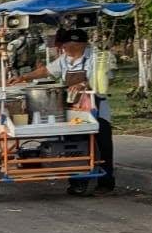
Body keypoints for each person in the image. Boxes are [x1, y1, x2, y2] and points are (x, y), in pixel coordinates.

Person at [12, 27, 115, 192]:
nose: (64, 48)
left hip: (96, 109)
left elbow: (104, 79)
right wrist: (24, 77)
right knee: (75, 146)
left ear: (79, 44)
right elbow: (46, 70)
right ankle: (78, 183)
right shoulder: (65, 59)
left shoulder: (96, 58)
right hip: (73, 110)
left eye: (66, 45)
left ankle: (106, 183)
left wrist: (84, 84)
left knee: (102, 146)